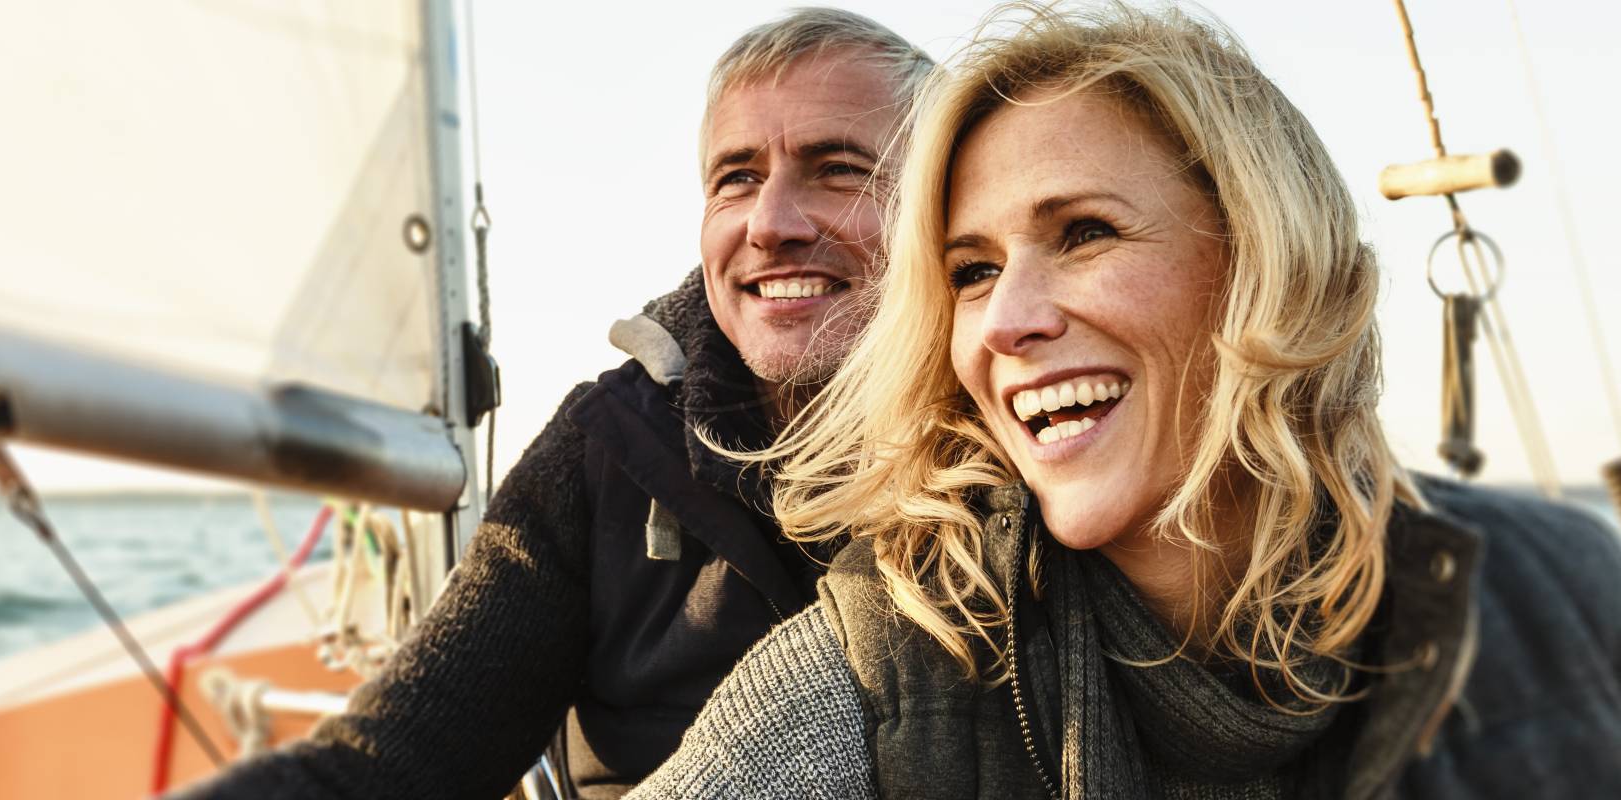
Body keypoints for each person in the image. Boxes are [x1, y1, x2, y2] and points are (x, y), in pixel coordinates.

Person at [627, 4, 1621, 798]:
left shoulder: (1560, 589)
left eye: (1084, 232)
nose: (1007, 318)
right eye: (971, 270)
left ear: (1259, 263)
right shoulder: (883, 672)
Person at [172, 8, 933, 800]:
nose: (769, 223)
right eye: (735, 178)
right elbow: (390, 765)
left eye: (839, 169)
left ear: (939, 213)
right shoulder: (610, 445)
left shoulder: (1016, 461)